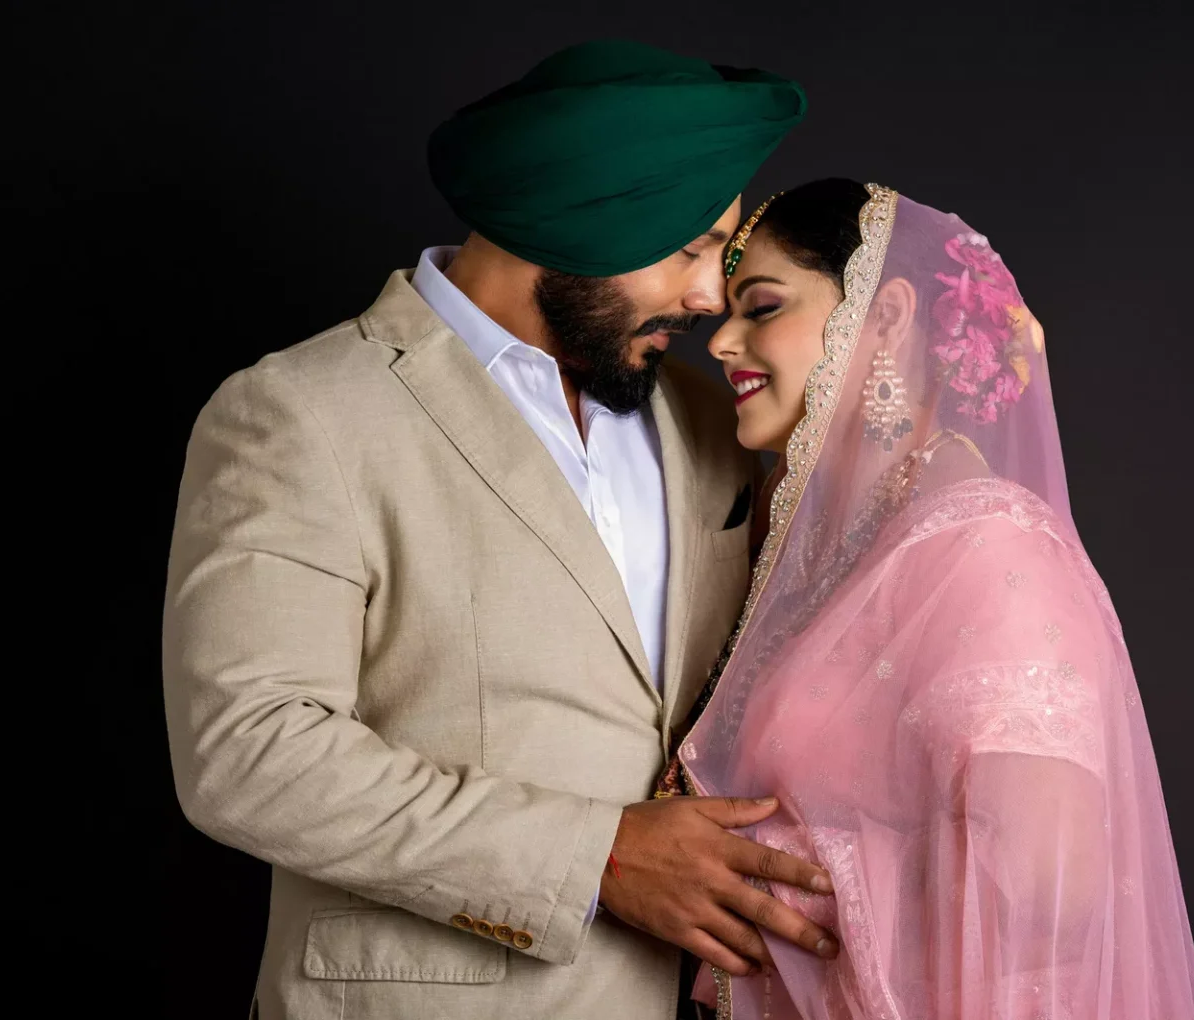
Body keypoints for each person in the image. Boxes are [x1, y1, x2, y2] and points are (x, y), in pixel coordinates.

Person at [161, 41, 840, 1020]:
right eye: (689, 248)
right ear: (570, 217)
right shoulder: (301, 413)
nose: (708, 297)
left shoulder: (707, 423)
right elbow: (248, 755)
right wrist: (598, 858)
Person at [658, 179, 1194, 1018]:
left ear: (885, 317)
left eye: (762, 307)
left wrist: (762, 877)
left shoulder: (987, 546)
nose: (723, 341)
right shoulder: (831, 549)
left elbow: (1045, 891)